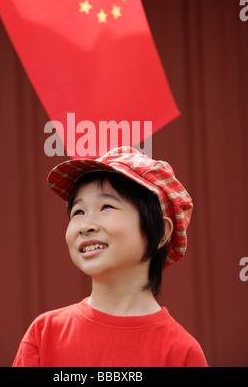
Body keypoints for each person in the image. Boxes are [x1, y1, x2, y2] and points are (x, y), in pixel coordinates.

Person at [12, 146, 208, 367]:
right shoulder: (45, 335)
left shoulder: (181, 352)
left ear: (161, 232)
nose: (86, 226)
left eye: (106, 206)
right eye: (78, 212)